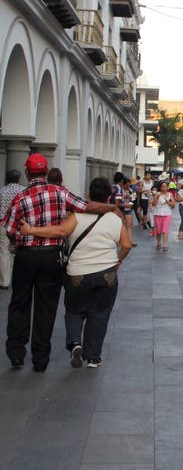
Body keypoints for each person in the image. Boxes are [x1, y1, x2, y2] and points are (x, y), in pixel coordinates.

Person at [2, 153, 118, 371]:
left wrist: (17, 240)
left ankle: (17, 352)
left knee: (19, 303)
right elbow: (87, 206)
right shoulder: (60, 193)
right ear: (45, 172)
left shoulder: (21, 197)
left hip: (26, 256)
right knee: (46, 307)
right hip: (51, 255)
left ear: (27, 173)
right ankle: (40, 358)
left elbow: (9, 228)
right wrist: (112, 208)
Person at [19, 176, 132, 369]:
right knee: (100, 314)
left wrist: (31, 229)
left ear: (88, 194)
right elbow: (127, 244)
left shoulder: (76, 216)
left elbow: (60, 232)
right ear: (108, 197)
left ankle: (74, 343)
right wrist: (118, 260)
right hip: (107, 273)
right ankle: (93, 357)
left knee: (74, 311)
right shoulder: (114, 219)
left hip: (77, 274)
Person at [0, 169, 24, 288]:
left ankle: (5, 281)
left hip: (3, 224)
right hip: (19, 225)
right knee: (18, 250)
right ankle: (17, 276)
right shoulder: (23, 191)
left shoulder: (2, 191)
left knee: (4, 251)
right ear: (18, 179)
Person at [152, 181, 175, 251]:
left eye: (165, 186)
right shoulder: (157, 194)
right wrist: (157, 197)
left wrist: (167, 201)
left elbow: (173, 205)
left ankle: (165, 244)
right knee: (158, 230)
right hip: (158, 213)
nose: (164, 188)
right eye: (162, 186)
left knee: (165, 229)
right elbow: (153, 204)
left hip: (167, 214)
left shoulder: (170, 194)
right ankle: (158, 242)